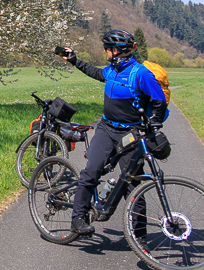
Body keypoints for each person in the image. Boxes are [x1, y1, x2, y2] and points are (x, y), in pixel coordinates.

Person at [58, 29, 168, 236]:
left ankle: (139, 235)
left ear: (115, 50)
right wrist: (75, 61)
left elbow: (159, 101)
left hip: (130, 134)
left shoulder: (140, 73)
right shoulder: (112, 70)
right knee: (91, 171)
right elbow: (97, 73)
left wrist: (153, 125)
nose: (106, 53)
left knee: (132, 184)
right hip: (106, 129)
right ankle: (78, 218)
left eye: (107, 50)